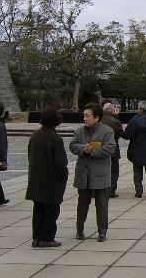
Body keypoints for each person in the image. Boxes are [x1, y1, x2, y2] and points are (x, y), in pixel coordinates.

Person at [70, 102, 116, 242]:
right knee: (82, 204)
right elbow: (72, 145)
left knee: (102, 205)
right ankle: (79, 229)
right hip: (83, 174)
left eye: (87, 116)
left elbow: (110, 148)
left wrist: (94, 151)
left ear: (96, 118)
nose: (85, 119)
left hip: (100, 174)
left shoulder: (107, 131)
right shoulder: (79, 131)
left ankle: (102, 231)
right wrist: (83, 149)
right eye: (84, 116)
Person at [25, 106, 68, 248]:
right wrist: (64, 176)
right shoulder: (55, 138)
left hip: (36, 179)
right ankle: (47, 238)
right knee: (51, 211)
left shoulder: (35, 135)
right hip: (51, 181)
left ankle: (36, 238)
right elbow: (61, 162)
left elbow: (29, 155)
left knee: (38, 210)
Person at [101, 102, 123, 197]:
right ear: (112, 111)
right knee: (114, 171)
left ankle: (99, 189)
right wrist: (116, 117)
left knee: (101, 170)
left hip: (100, 148)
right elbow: (119, 134)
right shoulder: (115, 121)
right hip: (113, 148)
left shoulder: (98, 120)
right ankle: (111, 191)